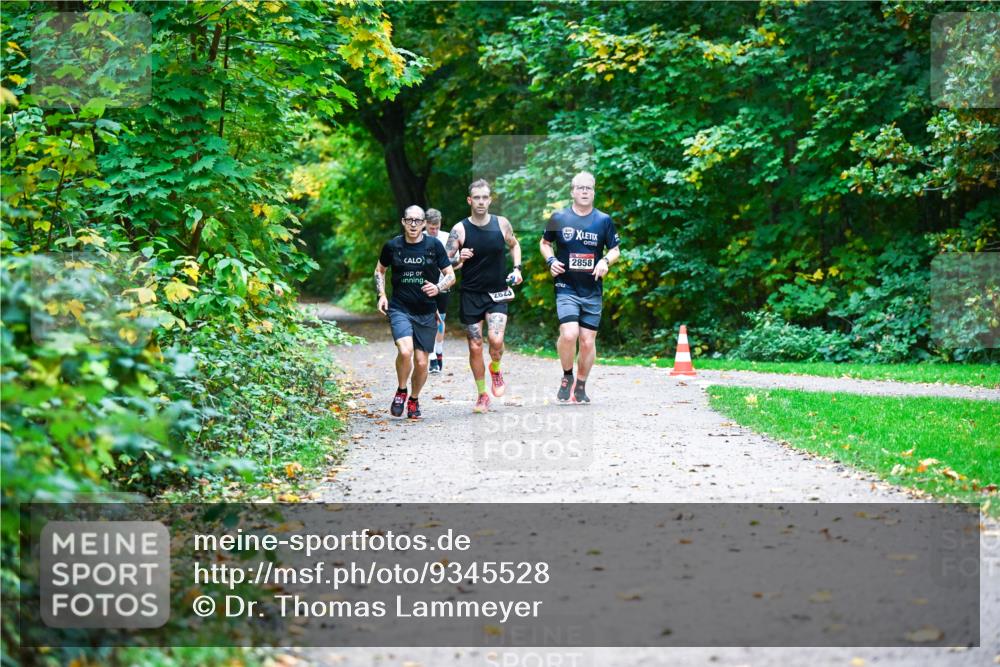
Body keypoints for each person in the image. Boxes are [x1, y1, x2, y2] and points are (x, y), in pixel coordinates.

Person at [539, 172, 620, 404]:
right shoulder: (559, 217)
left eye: (589, 188)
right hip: (566, 286)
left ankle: (581, 384)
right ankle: (567, 376)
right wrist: (551, 261)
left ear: (594, 192)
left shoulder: (603, 220)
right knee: (569, 334)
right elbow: (545, 243)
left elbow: (615, 249)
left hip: (592, 289)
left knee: (587, 341)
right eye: (580, 188)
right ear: (572, 191)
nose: (585, 192)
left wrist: (605, 261)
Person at [445, 179, 523, 413]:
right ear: (470, 200)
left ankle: (496, 369)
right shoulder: (459, 229)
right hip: (471, 294)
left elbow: (515, 245)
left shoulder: (501, 224)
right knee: (476, 346)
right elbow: (445, 262)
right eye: (476, 198)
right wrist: (460, 258)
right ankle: (482, 395)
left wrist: (517, 269)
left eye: (484, 197)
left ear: (490, 200)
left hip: (497, 292)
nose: (480, 201)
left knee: (496, 342)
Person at [374, 205, 456, 418]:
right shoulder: (392, 246)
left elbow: (450, 275)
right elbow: (380, 270)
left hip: (427, 311)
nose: (413, 224)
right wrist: (382, 295)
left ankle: (414, 399)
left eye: (417, 221)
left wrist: (438, 288)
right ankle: (401, 390)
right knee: (405, 351)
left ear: (423, 224)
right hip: (400, 308)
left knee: (421, 362)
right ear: (403, 222)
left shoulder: (434, 246)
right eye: (409, 220)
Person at [424, 208, 454, 374]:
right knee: (429, 320)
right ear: (425, 224)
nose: (434, 231)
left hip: (443, 285)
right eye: (430, 228)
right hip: (425, 285)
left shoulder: (447, 237)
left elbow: (457, 263)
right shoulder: (418, 237)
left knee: (440, 321)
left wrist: (460, 260)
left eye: (436, 227)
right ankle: (432, 357)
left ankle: (439, 350)